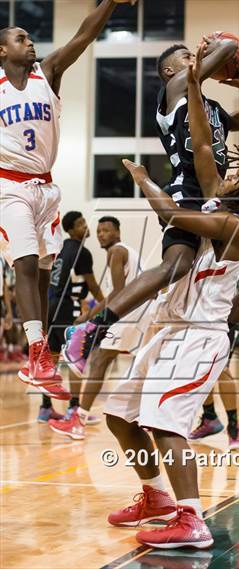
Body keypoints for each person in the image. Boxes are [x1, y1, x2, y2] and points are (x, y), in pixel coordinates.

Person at [102, 44, 239, 550]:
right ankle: (155, 497)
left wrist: (145, 179)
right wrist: (235, 313)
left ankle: (191, 519)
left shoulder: (230, 222)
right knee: (121, 414)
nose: (228, 169)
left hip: (196, 336)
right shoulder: (224, 207)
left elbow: (172, 214)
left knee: (167, 425)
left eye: (237, 173)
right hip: (171, 326)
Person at [64, 35, 239, 373]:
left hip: (221, 197)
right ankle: (92, 328)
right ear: (170, 71)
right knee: (177, 265)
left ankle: (218, 325)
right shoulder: (172, 95)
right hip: (188, 190)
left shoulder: (215, 111)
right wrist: (218, 46)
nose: (195, 58)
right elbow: (227, 48)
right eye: (187, 56)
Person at [0, 0, 138, 399]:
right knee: (24, 261)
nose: (30, 42)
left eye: (29, 37)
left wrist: (109, 2)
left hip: (46, 188)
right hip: (10, 185)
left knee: (43, 272)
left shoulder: (48, 73)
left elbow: (84, 35)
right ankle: (38, 351)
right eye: (20, 38)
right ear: (2, 51)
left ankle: (37, 359)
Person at [49, 216, 148, 440]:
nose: (101, 234)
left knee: (100, 361)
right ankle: (150, 416)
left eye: (107, 230)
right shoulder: (127, 252)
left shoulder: (117, 252)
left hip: (129, 315)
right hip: (142, 314)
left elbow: (117, 294)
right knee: (144, 366)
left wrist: (89, 316)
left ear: (118, 232)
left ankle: (78, 419)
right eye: (99, 230)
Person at [37, 211, 104, 423]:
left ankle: (45, 408)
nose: (86, 226)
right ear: (71, 230)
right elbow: (92, 285)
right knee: (76, 358)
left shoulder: (62, 249)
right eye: (80, 223)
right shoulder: (82, 252)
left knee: (53, 360)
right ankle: (74, 408)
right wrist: (107, 304)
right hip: (66, 309)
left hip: (50, 308)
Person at [189, 288, 239, 448]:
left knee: (222, 369)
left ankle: (233, 426)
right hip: (197, 314)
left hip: (226, 315)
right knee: (201, 369)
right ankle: (209, 417)